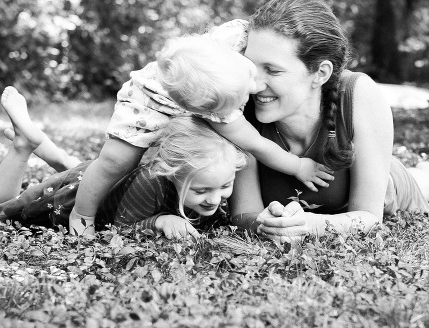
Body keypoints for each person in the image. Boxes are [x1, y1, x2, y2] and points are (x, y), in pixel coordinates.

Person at [68, 23, 332, 237]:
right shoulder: (220, 106)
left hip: (206, 84)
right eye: (246, 95)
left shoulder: (241, 36)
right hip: (149, 99)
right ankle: (82, 215)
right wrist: (297, 165)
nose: (257, 88)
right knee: (116, 160)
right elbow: (256, 144)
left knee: (209, 155)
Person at [228, 0, 429, 243]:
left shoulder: (358, 95)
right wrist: (264, 223)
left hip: (387, 186)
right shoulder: (237, 105)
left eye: (273, 70)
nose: (254, 84)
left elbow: (369, 216)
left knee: (421, 184)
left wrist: (312, 225)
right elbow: (243, 213)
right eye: (250, 66)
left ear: (320, 73)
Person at [0, 87, 248, 239]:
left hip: (107, 183)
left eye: (225, 186)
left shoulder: (213, 173)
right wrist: (160, 221)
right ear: (171, 173)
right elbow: (121, 229)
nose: (216, 199)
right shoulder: (150, 185)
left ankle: (51, 151)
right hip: (77, 196)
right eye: (201, 191)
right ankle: (22, 146)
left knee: (77, 170)